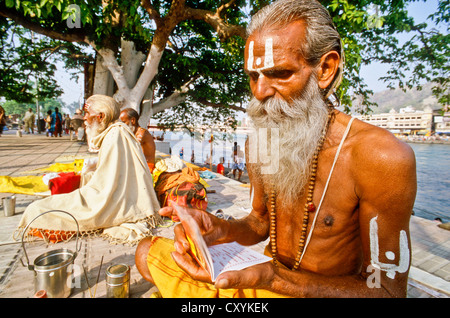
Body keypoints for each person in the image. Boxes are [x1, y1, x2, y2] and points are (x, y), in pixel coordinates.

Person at [135, 0, 416, 298]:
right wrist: (219, 230)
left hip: (318, 292)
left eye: (280, 73)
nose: (260, 92)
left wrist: (274, 279)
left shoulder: (381, 156)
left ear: (325, 69)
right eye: (254, 76)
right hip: (265, 280)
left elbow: (387, 290)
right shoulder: (263, 140)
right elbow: (258, 222)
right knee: (146, 252)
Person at [17, 95, 161, 244]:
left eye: (87, 114)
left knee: (36, 210)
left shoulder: (115, 135)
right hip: (109, 195)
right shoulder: (114, 133)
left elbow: (107, 187)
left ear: (101, 116)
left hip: (109, 201)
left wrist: (84, 183)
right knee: (44, 206)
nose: (84, 118)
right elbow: (110, 175)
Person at [119, 108, 156, 172]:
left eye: (124, 122)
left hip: (146, 166)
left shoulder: (142, 133)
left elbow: (131, 150)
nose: (122, 126)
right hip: (138, 164)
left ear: (132, 120)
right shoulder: (134, 132)